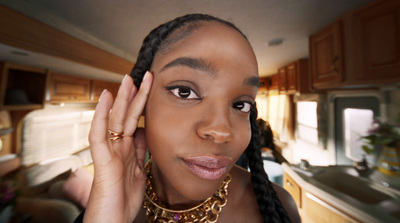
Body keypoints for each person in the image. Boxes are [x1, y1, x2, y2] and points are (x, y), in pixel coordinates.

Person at [76, 13, 300, 223]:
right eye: (185, 92)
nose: (222, 132)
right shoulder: (103, 211)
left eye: (240, 105)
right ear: (140, 102)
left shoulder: (278, 207)